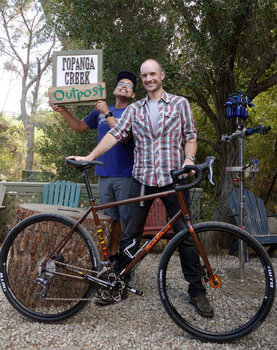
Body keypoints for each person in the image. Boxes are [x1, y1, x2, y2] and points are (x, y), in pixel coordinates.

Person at [66, 59, 214, 317]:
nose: (148, 78)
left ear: (161, 75)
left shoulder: (180, 104)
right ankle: (120, 284)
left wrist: (189, 159)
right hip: (142, 178)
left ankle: (197, 291)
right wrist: (90, 157)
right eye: (144, 75)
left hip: (174, 178)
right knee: (130, 235)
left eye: (152, 74)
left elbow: (190, 135)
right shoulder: (135, 109)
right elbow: (116, 134)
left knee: (185, 235)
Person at [50, 70, 136, 263]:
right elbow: (80, 127)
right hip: (104, 173)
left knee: (126, 220)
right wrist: (63, 110)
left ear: (133, 95)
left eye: (129, 85)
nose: (124, 85)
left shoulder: (133, 111)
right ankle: (112, 257)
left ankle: (125, 262)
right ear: (113, 89)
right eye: (120, 83)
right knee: (109, 218)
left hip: (126, 176)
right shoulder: (100, 110)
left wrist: (107, 112)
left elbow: (124, 136)